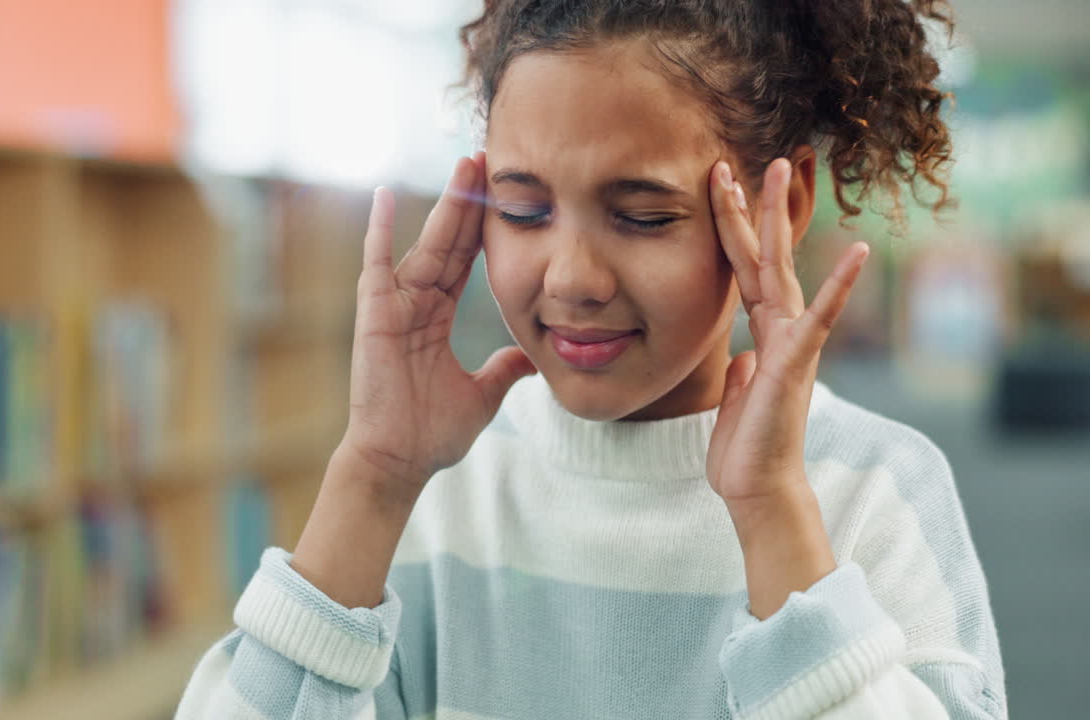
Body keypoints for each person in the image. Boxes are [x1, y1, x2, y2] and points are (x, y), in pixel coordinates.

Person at [175, 0, 1005, 717]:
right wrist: (372, 476)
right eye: (522, 209)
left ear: (778, 206)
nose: (571, 279)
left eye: (644, 216)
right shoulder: (434, 498)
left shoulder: (878, 488)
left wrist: (773, 511)